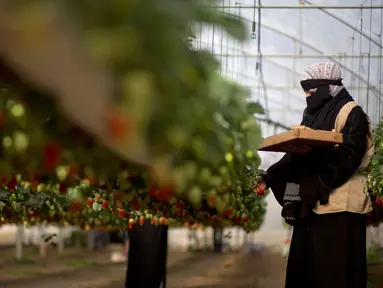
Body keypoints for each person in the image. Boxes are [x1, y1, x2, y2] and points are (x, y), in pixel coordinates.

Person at [257, 62, 374, 288]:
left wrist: (312, 153)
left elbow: (347, 158)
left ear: (327, 87)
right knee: (306, 272)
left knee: (334, 275)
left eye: (310, 90)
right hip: (311, 206)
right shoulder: (313, 116)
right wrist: (269, 178)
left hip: (340, 210)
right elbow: (294, 157)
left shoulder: (352, 114)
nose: (307, 95)